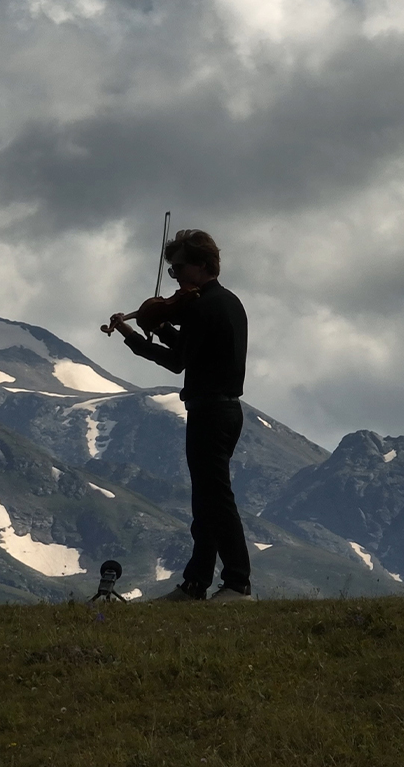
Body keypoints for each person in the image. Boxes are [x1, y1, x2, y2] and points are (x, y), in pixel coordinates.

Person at [108, 229, 254, 603]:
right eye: (171, 271)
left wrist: (134, 337)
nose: (175, 278)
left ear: (202, 265)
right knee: (206, 501)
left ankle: (237, 583)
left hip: (210, 411)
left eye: (178, 269)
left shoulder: (204, 306)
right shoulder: (226, 302)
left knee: (215, 500)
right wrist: (162, 326)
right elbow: (194, 350)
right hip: (226, 410)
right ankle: (196, 584)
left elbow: (176, 362)